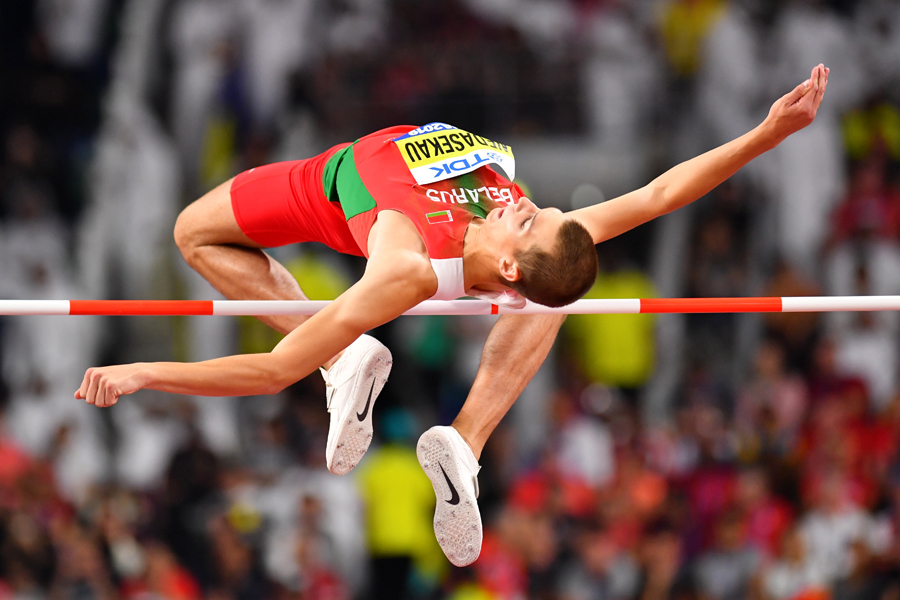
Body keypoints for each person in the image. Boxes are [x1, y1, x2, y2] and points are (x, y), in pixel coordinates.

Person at [76, 65, 830, 567]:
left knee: (192, 235)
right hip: (375, 169)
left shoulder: (404, 267)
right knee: (192, 230)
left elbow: (276, 371)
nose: (533, 205)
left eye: (529, 222)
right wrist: (767, 134)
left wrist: (144, 371)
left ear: (508, 266)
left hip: (334, 187)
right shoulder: (527, 229)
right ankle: (404, 405)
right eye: (541, 213)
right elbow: (663, 195)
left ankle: (429, 419)